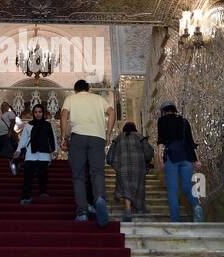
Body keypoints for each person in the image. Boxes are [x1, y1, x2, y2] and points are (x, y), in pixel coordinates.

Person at [60, 80, 115, 226]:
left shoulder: (71, 98)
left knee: (78, 176)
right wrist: (108, 134)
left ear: (75, 89)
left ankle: (82, 212)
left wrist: (63, 137)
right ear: (88, 88)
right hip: (98, 138)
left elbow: (64, 114)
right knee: (97, 172)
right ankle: (99, 198)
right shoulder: (99, 99)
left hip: (78, 137)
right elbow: (112, 112)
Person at [156, 102, 203, 222]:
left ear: (163, 111)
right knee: (187, 188)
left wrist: (160, 158)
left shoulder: (162, 121)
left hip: (172, 157)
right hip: (186, 157)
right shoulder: (184, 121)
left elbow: (161, 140)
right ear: (174, 109)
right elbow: (191, 142)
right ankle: (197, 205)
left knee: (172, 190)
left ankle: (175, 221)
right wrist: (197, 160)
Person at [108, 122, 153, 221]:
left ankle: (128, 210)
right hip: (138, 167)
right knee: (139, 187)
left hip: (122, 167)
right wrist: (146, 162)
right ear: (135, 128)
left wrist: (115, 165)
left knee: (125, 187)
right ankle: (140, 208)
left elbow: (109, 156)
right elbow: (149, 152)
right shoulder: (140, 137)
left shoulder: (118, 138)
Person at [16, 103, 57, 203]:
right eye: (36, 112)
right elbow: (24, 139)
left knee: (43, 174)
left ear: (43, 113)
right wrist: (18, 150)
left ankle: (43, 191)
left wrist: (54, 150)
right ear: (33, 113)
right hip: (31, 153)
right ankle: (26, 197)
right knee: (28, 175)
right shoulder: (29, 125)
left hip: (44, 154)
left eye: (40, 112)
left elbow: (52, 138)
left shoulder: (48, 125)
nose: (38, 114)